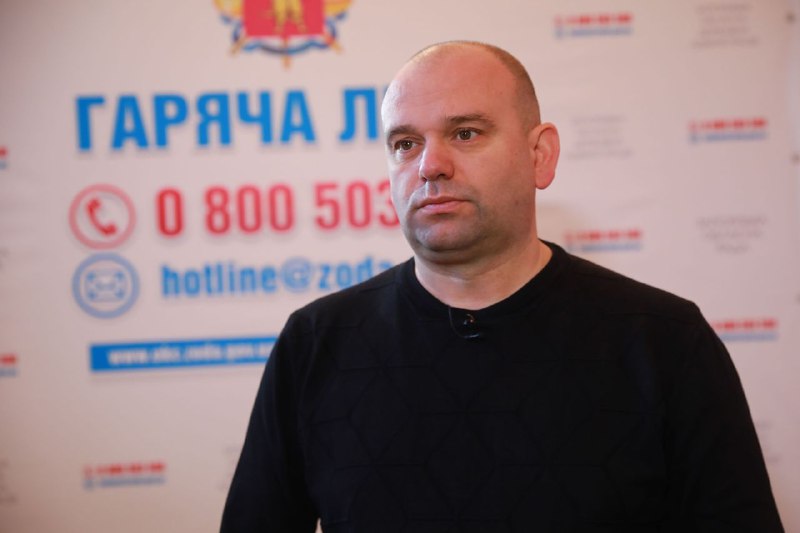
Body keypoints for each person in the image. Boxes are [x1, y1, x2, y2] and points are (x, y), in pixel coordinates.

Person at [221, 41, 784, 532]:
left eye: (465, 133)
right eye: (405, 143)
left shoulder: (665, 343)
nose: (430, 165)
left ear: (540, 155)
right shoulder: (316, 344)